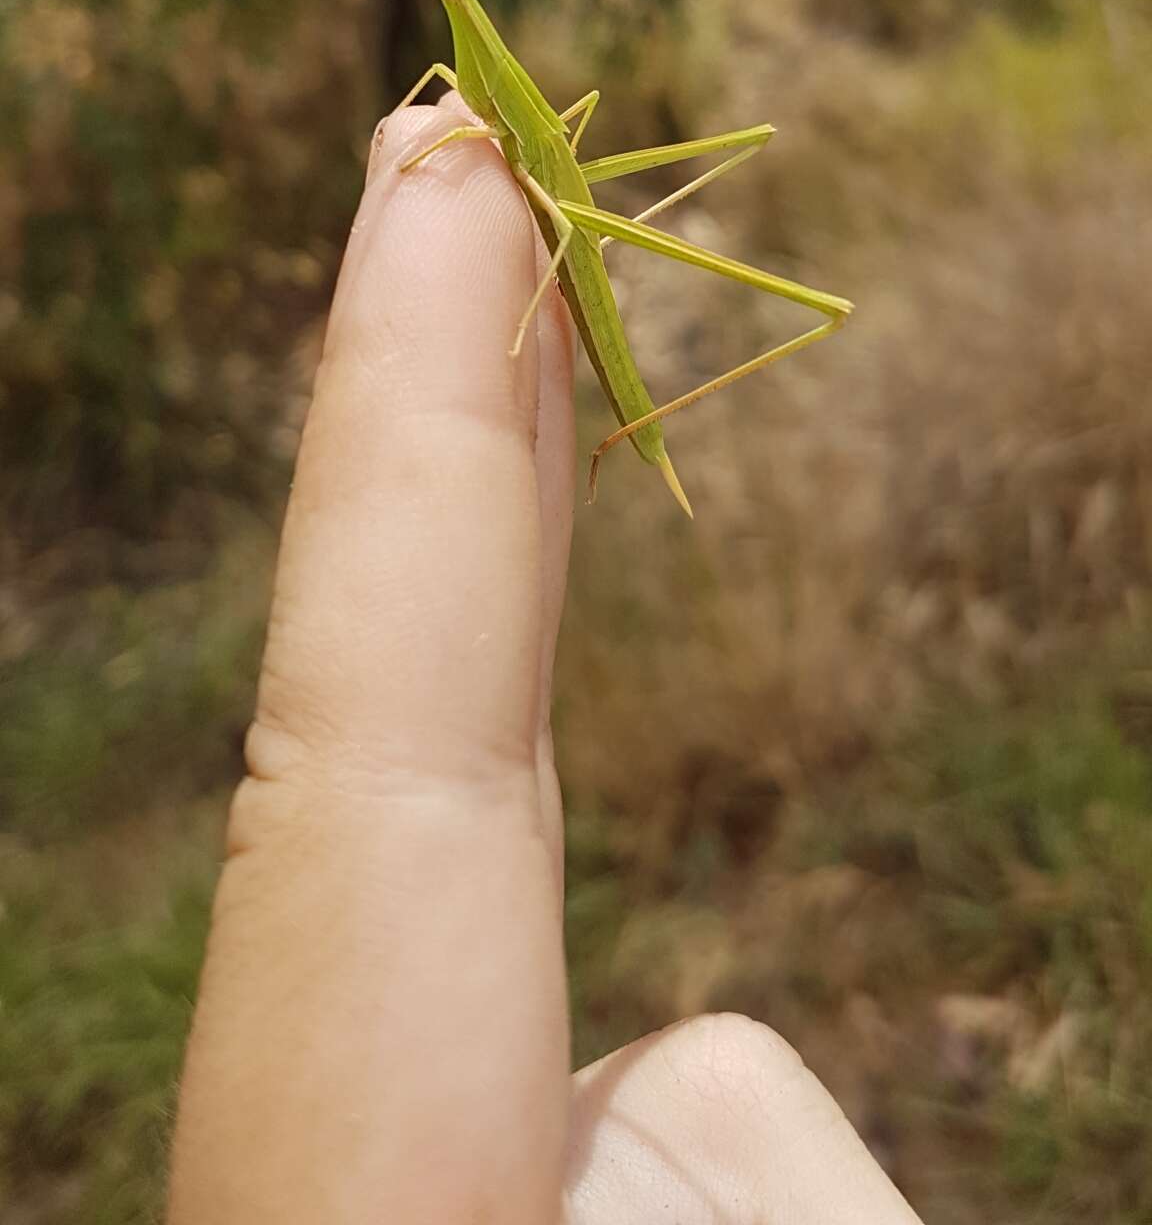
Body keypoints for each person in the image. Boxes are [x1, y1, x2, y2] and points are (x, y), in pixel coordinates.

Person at [166, 95, 923, 1224]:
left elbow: (547, 145)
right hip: (542, 222)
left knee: (705, 199)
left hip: (574, 232)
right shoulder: (458, 92)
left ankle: (632, 419)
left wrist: (561, 238)